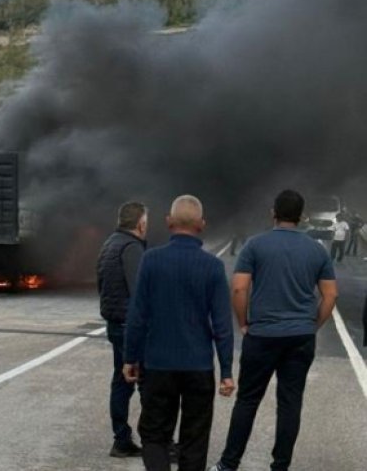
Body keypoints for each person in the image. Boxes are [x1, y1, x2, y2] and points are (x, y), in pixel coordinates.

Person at [209, 190, 338, 471]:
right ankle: (280, 466)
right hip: (300, 337)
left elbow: (239, 288)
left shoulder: (255, 246)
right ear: (302, 216)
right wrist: (312, 325)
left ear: (273, 213)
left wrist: (244, 322)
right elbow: (330, 295)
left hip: (263, 335)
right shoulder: (316, 250)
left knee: (247, 400)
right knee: (290, 403)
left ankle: (228, 464)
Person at [124, 195, 234, 471]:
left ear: (169, 222)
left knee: (155, 434)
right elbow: (222, 324)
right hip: (198, 367)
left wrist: (130, 358)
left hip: (158, 364)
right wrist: (227, 371)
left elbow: (138, 315)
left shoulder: (151, 260)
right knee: (194, 439)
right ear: (202, 225)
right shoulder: (213, 267)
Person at [96, 201, 148, 458]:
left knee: (121, 381)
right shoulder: (131, 247)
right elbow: (140, 292)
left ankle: (121, 438)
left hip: (115, 323)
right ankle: (155, 441)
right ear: (140, 223)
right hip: (131, 326)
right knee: (148, 384)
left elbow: (101, 284)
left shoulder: (109, 244)